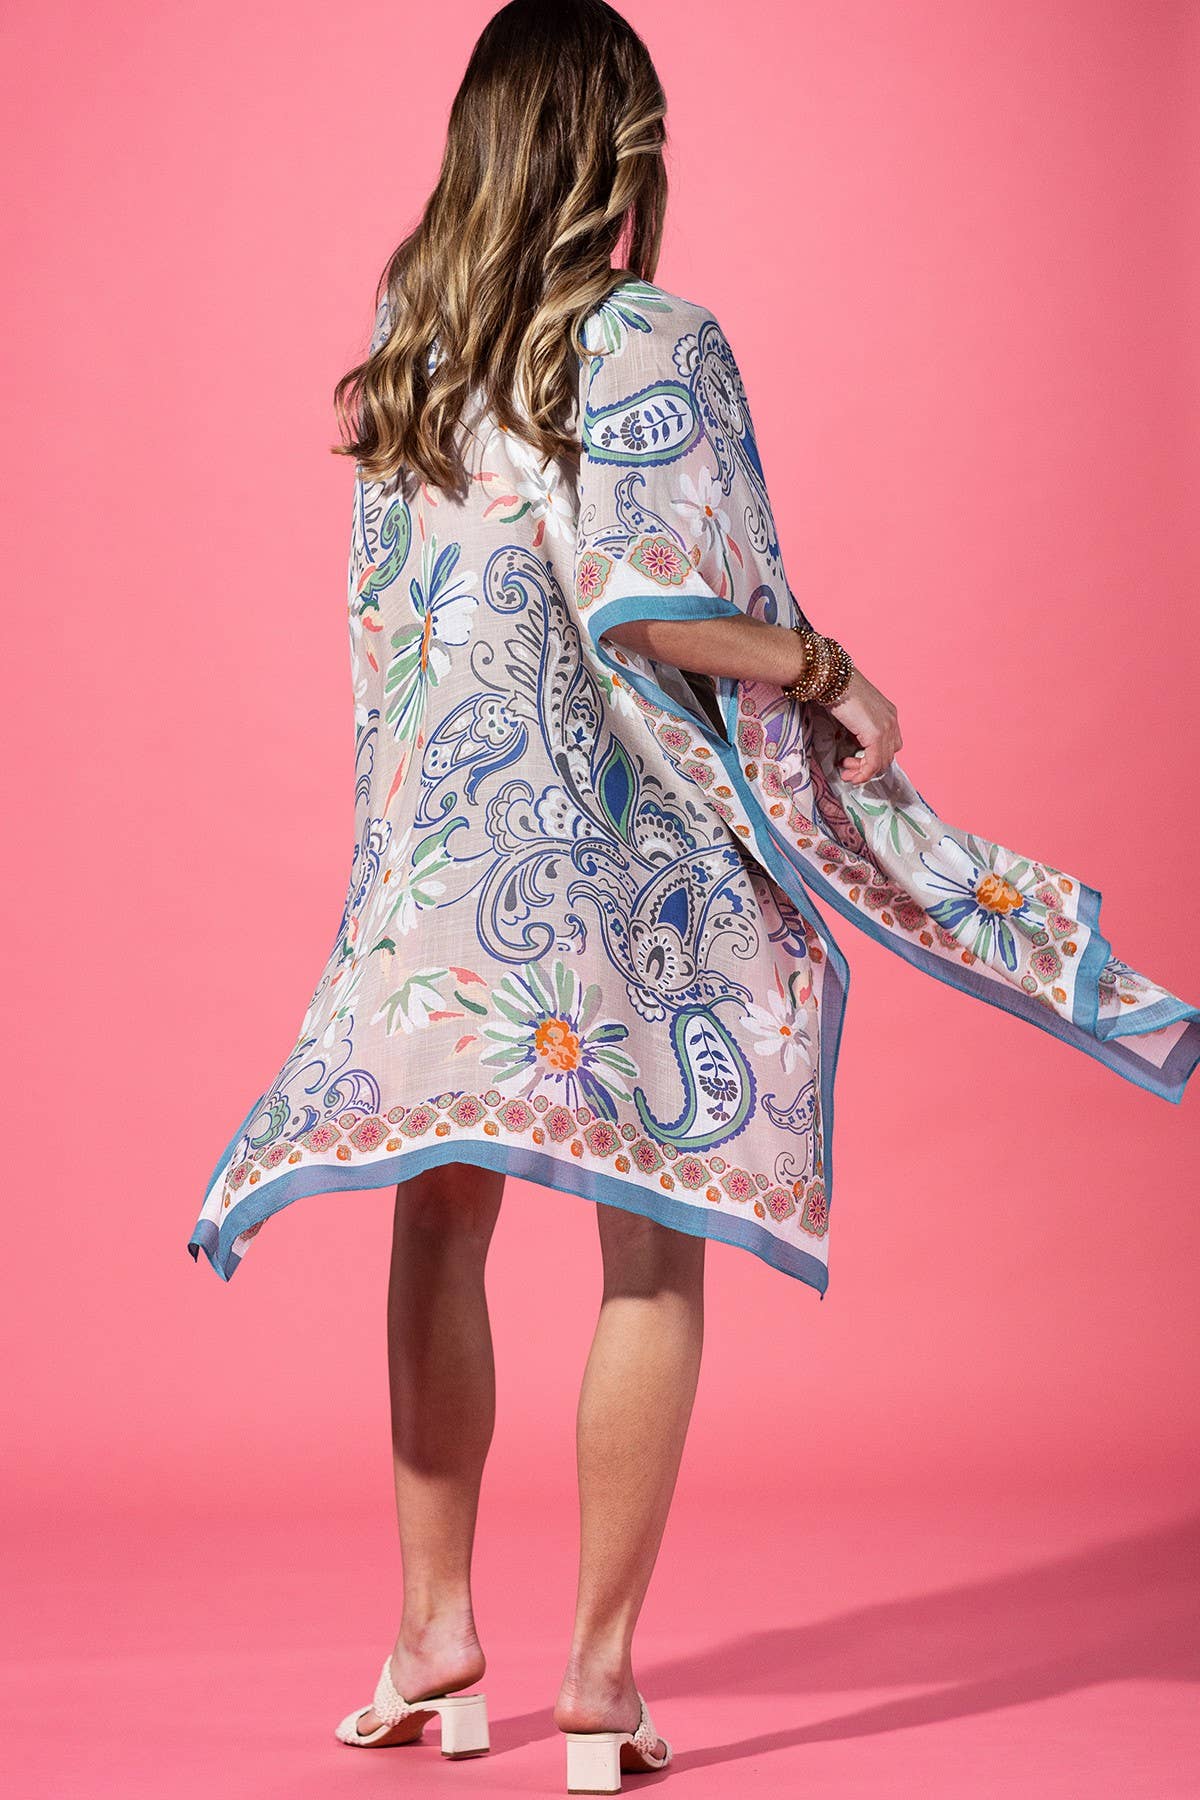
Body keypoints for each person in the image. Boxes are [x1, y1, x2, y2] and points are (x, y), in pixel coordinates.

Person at [186, 1, 1200, 1790]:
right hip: (628, 861)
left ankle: (436, 1641)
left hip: (444, 873)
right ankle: (596, 1683)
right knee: (648, 1245)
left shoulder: (410, 343)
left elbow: (397, 642)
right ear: (623, 147)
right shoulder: (657, 336)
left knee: (443, 1216)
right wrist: (827, 668)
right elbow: (657, 606)